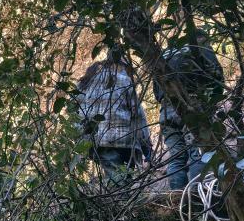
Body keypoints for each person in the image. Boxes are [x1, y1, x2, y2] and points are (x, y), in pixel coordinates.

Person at [154, 41, 225, 191]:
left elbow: (156, 91)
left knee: (176, 158)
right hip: (193, 105)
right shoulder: (199, 47)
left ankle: (177, 202)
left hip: (166, 110)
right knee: (197, 153)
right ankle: (199, 200)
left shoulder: (162, 55)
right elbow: (217, 78)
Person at [77, 49, 152, 179]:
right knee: (121, 180)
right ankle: (124, 198)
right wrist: (147, 147)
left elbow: (76, 113)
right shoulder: (124, 80)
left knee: (118, 180)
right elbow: (138, 116)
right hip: (124, 141)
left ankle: (121, 198)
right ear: (121, 64)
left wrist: (80, 140)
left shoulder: (85, 82)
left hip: (96, 141)